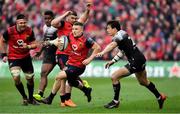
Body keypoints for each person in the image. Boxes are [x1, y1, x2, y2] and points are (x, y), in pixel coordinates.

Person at [96, 20, 166, 109]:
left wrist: (102, 52)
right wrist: (113, 61)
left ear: (114, 29)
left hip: (135, 60)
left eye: (108, 28)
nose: (107, 30)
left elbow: (111, 45)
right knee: (143, 82)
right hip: (140, 59)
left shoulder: (119, 35)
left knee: (114, 77)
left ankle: (115, 101)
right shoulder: (121, 35)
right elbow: (122, 52)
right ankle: (160, 97)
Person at [41, 21, 101, 105]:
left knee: (59, 76)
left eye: (76, 29)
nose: (74, 31)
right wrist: (49, 42)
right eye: (73, 29)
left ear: (81, 31)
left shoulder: (87, 40)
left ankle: (50, 98)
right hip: (70, 64)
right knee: (72, 82)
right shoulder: (70, 36)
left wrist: (90, 59)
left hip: (79, 66)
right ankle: (86, 90)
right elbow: (59, 39)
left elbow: (98, 47)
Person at [48, 3, 92, 107]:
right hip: (62, 54)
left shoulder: (76, 26)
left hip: (72, 56)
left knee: (68, 77)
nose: (74, 19)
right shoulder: (63, 24)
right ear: (68, 18)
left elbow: (83, 18)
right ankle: (64, 99)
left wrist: (87, 10)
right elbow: (53, 23)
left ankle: (65, 99)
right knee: (64, 76)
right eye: (72, 18)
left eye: (75, 18)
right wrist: (65, 14)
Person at [0, 14, 39, 105]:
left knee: (30, 79)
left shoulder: (29, 30)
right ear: (17, 22)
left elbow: (35, 44)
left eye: (24, 22)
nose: (23, 24)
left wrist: (28, 46)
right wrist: (4, 54)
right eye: (21, 23)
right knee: (16, 76)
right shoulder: (10, 31)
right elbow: (2, 41)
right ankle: (24, 97)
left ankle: (31, 98)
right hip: (13, 57)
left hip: (26, 57)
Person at [33, 10, 58, 101]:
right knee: (43, 73)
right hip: (49, 53)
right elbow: (45, 40)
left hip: (59, 53)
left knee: (70, 74)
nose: (47, 20)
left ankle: (85, 88)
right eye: (45, 19)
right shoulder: (44, 27)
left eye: (49, 18)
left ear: (53, 19)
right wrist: (40, 51)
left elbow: (61, 40)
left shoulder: (57, 27)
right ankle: (40, 94)